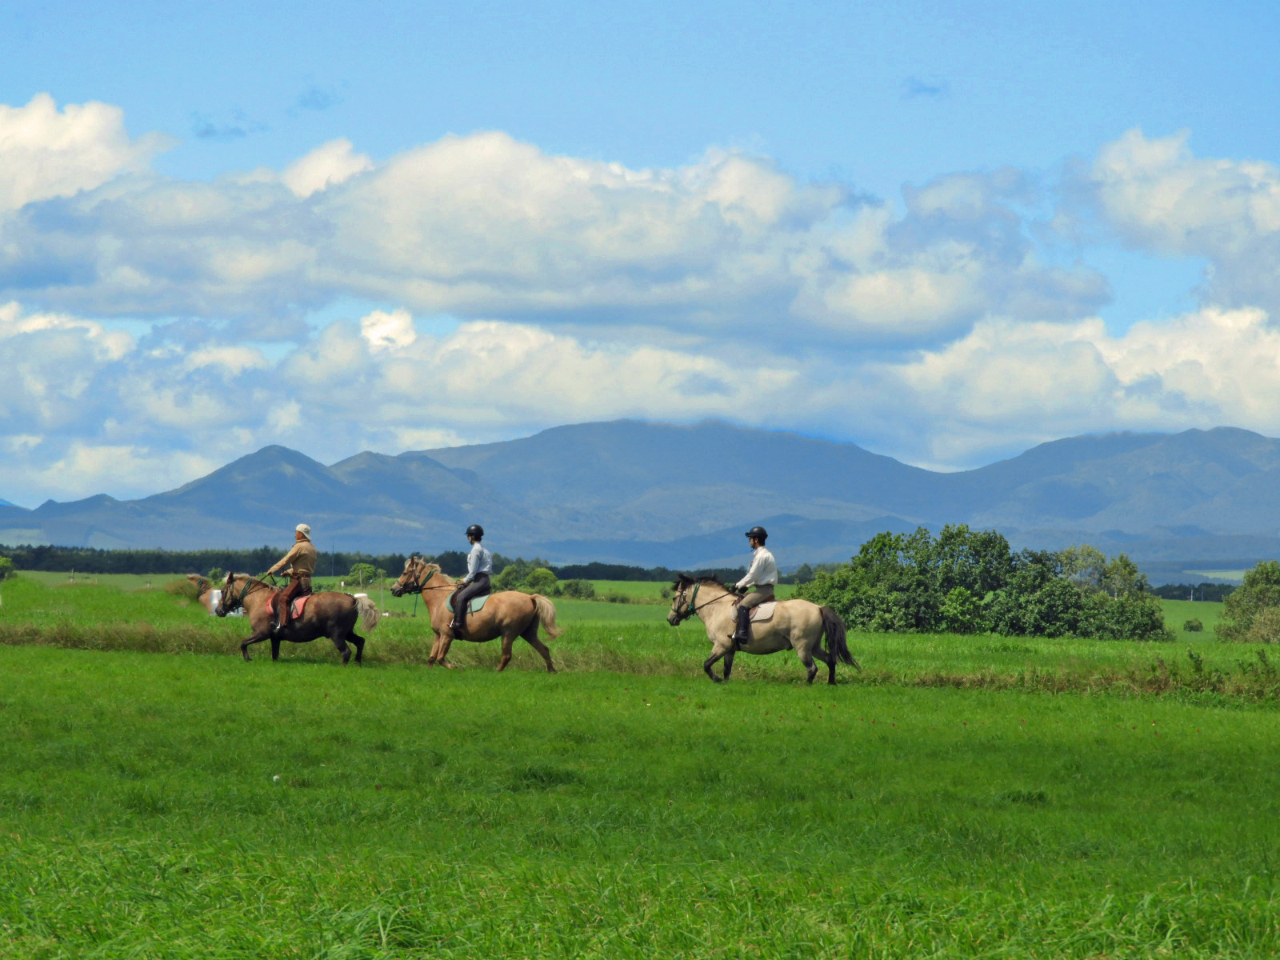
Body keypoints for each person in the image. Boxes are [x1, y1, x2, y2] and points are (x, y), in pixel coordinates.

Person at [731, 525, 777, 647]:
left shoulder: (761, 556)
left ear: (756, 540)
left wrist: (737, 585)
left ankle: (742, 633)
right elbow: (758, 576)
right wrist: (747, 586)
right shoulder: (763, 554)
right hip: (762, 587)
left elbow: (752, 574)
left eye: (750, 539)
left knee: (743, 604)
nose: (749, 541)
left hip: (764, 590)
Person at [267, 523, 317, 634]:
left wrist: (272, 569)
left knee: (283, 598)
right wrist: (288, 572)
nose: (295, 535)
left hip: (298, 580)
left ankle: (282, 624)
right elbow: (305, 567)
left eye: (296, 532)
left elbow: (286, 559)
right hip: (307, 580)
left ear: (301, 534)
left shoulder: (299, 546)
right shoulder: (312, 547)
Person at [450, 524, 492, 635]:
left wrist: (463, 581)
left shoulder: (475, 550)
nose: (468, 538)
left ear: (472, 536)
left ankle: (458, 624)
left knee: (461, 596)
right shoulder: (485, 549)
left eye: (468, 535)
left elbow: (473, 572)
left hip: (479, 581)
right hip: (486, 580)